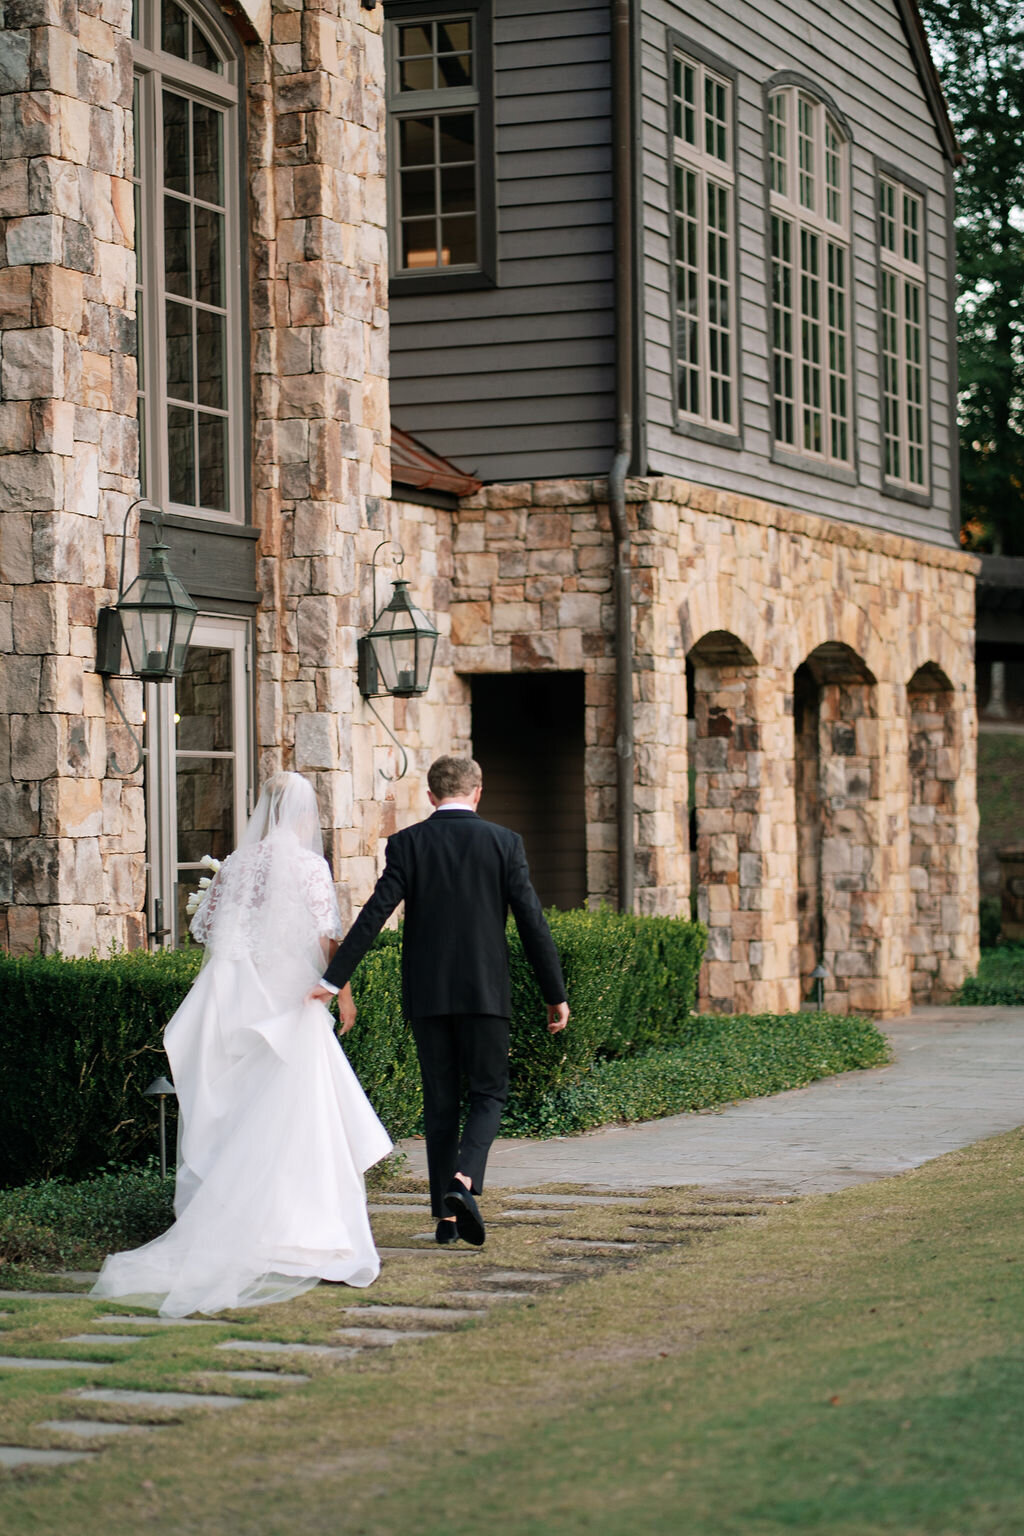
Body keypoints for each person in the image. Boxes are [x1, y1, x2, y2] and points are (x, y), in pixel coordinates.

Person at [92, 772, 392, 1318]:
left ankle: (237, 1221)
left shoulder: (238, 862)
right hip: (292, 1000)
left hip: (239, 998)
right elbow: (327, 937)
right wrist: (340, 992)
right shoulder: (307, 865)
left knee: (242, 1112)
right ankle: (300, 1231)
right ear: (302, 816)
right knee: (301, 1115)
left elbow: (209, 930)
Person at [310, 755, 569, 1248]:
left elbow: (374, 916)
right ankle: (462, 1182)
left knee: (441, 1102)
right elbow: (533, 924)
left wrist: (331, 981)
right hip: (486, 993)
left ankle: (446, 1221)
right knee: (489, 1094)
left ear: (431, 796)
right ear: (478, 791)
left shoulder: (408, 843)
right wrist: (554, 993)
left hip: (428, 994)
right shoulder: (504, 843)